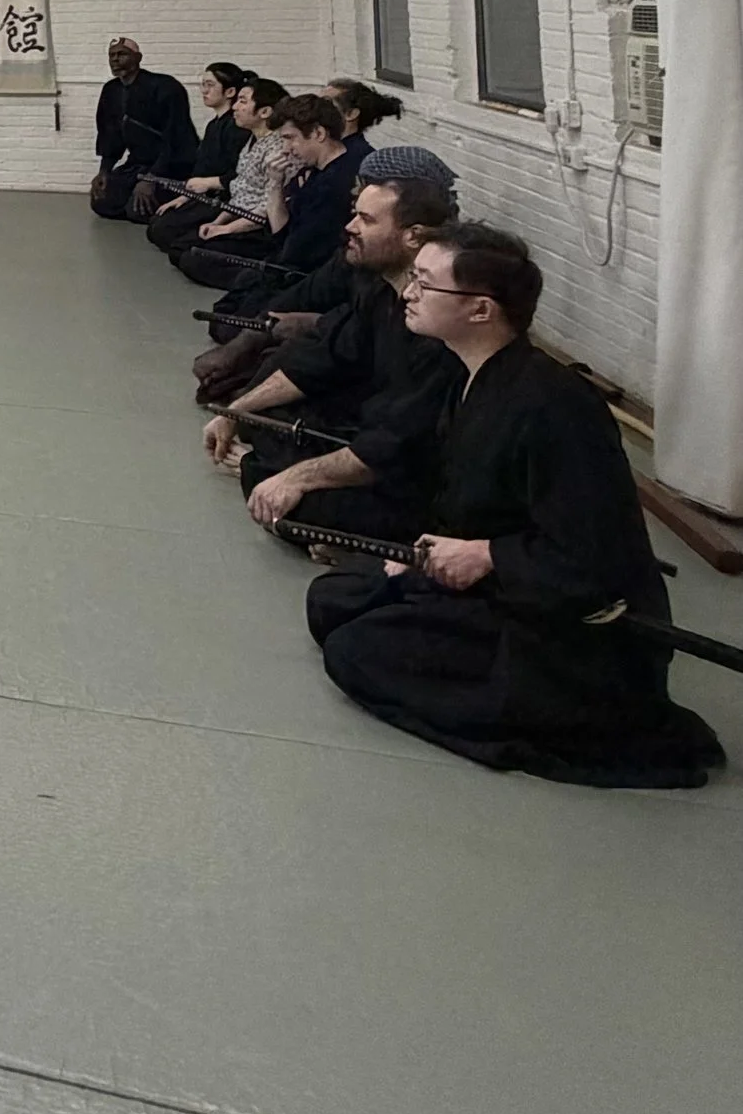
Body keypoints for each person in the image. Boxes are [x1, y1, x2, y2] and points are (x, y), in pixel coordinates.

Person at [307, 224, 725, 788]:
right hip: (506, 590)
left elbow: (591, 559)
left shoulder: (556, 407)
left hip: (569, 632)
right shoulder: (474, 375)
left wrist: (488, 555)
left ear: (480, 310)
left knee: (355, 650)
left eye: (425, 284)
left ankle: (556, 719)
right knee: (335, 597)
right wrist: (426, 554)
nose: (408, 292)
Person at [202, 176, 462, 543]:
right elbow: (323, 358)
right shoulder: (380, 287)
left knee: (288, 507)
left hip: (414, 465)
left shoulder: (438, 333)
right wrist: (235, 411)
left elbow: (397, 443)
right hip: (375, 422)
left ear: (413, 236)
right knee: (261, 420)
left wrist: (291, 476)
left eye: (366, 220)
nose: (349, 227)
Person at [191, 143, 458, 402]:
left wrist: (314, 325)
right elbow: (318, 294)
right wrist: (255, 334)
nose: (354, 190)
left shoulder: (430, 279)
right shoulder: (368, 254)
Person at [176, 91, 365, 290]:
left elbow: (292, 247)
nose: (285, 148)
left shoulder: (335, 183)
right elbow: (281, 230)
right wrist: (275, 183)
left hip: (305, 270)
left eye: (290, 138)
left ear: (318, 134)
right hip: (283, 249)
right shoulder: (315, 170)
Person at [150, 68, 269, 255]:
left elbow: (237, 178)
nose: (204, 91)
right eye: (203, 85)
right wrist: (186, 196)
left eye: (210, 85)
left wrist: (209, 186)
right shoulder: (214, 125)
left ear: (229, 92)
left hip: (228, 198)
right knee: (157, 223)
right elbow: (202, 169)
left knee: (168, 235)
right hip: (216, 195)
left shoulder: (239, 129)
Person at [89, 37, 197, 220]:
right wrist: (104, 171)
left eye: (122, 54)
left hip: (173, 165)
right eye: (111, 55)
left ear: (138, 58)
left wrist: (152, 178)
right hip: (138, 164)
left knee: (136, 210)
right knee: (102, 201)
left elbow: (176, 138)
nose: (115, 59)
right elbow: (109, 134)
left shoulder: (165, 87)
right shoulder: (111, 90)